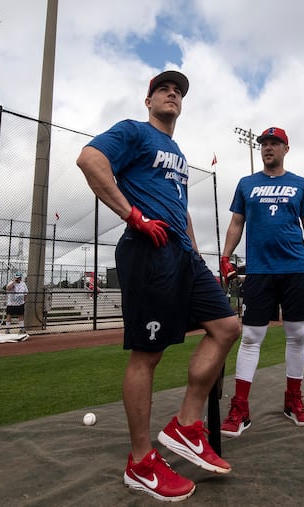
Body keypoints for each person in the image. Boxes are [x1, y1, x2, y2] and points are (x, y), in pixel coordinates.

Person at [76, 70, 241, 502]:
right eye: (164, 89)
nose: (173, 94)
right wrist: (133, 216)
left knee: (227, 327)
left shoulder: (178, 153)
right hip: (147, 250)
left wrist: (194, 248)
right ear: (148, 100)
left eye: (179, 91)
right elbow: (90, 160)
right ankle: (140, 461)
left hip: (182, 253)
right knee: (147, 355)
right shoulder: (133, 131)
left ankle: (186, 426)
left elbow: (181, 206)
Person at [219, 126, 304, 438]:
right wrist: (226, 256)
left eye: (274, 143)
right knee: (251, 337)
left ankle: (292, 400)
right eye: (264, 143)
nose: (268, 148)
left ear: (285, 149)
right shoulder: (246, 184)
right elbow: (236, 223)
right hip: (259, 270)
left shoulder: (300, 184)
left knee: (297, 334)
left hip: (295, 268)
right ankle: (240, 407)